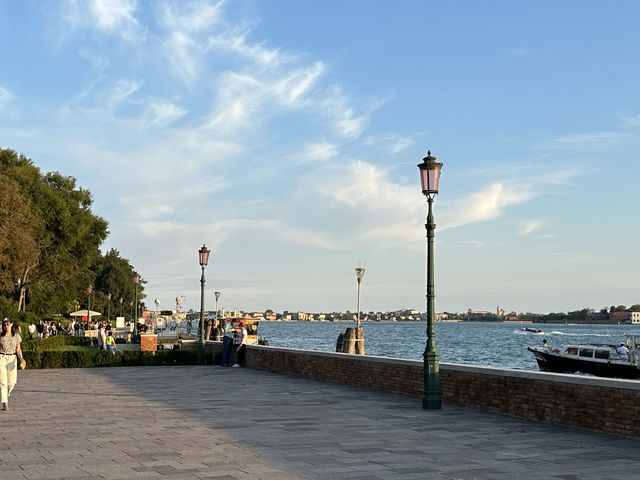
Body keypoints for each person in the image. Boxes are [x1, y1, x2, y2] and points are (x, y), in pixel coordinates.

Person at [0, 318, 26, 411]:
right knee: (3, 382)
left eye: (7, 324)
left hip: (12, 358)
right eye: (4, 324)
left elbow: (18, 349)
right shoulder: (1, 336)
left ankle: (6, 394)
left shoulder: (16, 336)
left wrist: (21, 358)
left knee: (11, 383)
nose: (6, 326)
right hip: (2, 358)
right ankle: (5, 403)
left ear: (11, 324)